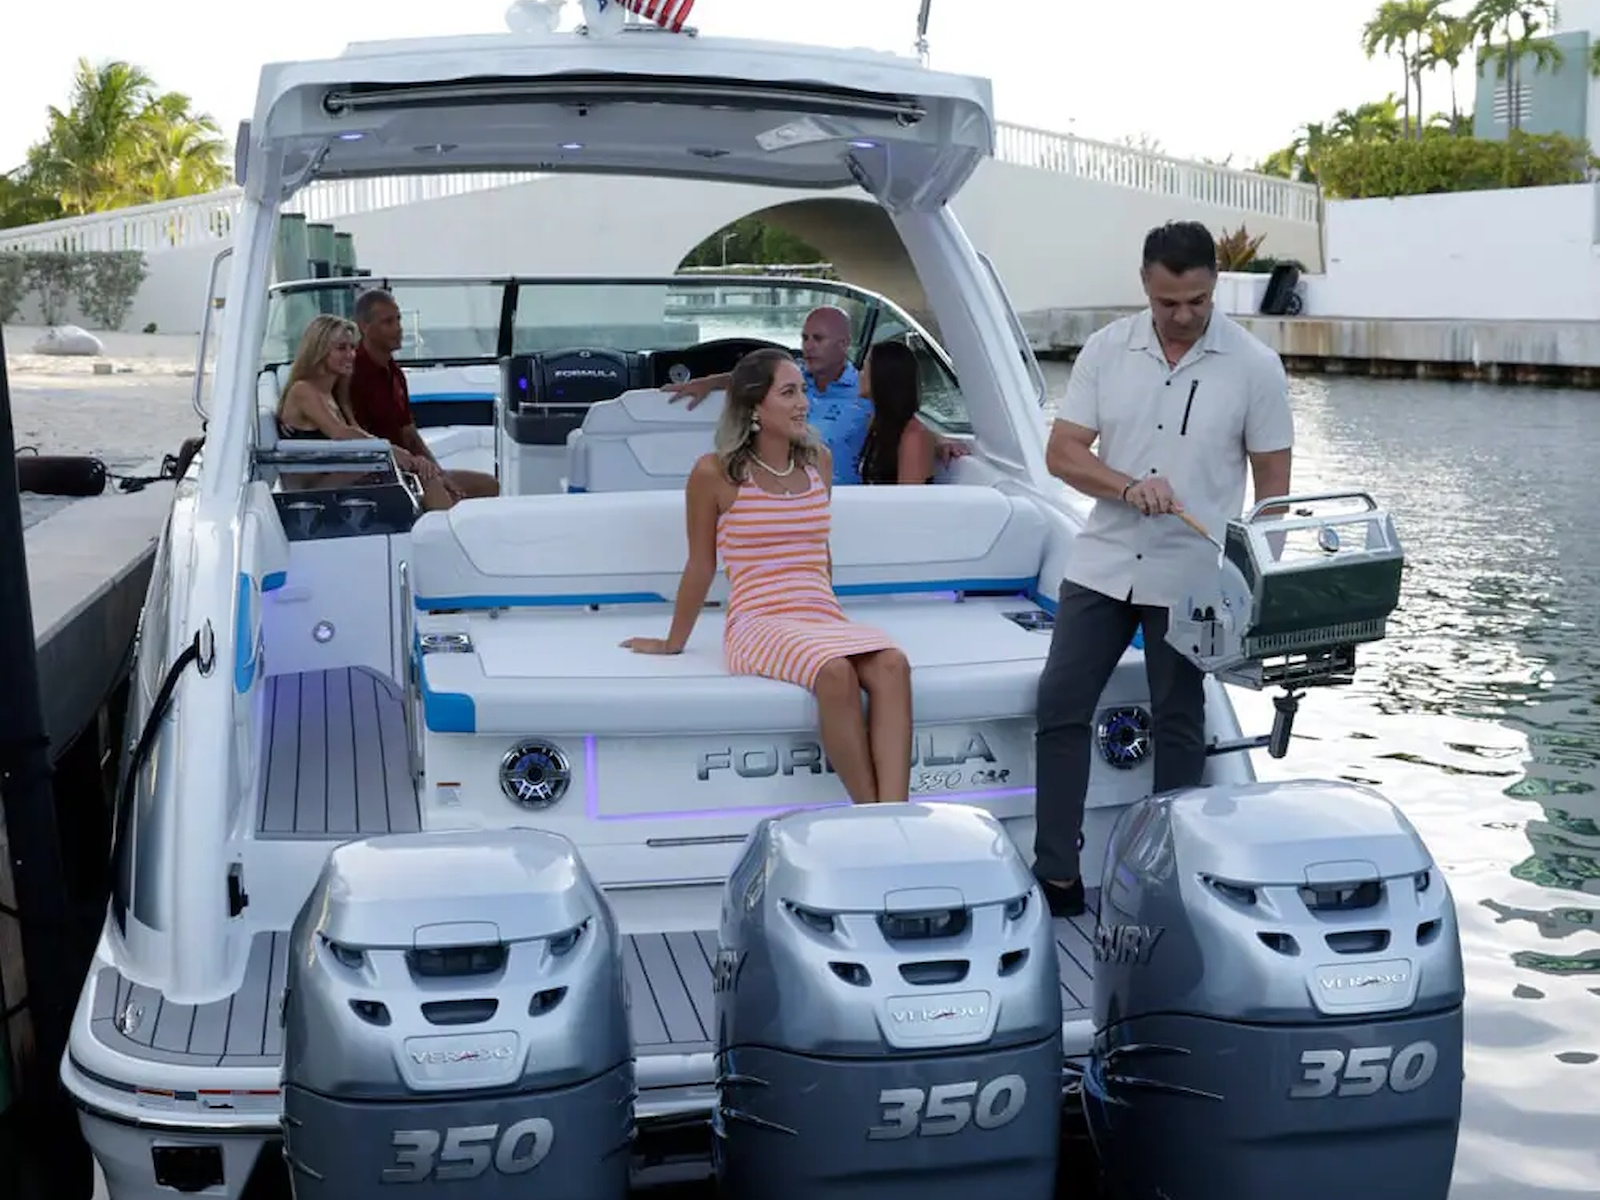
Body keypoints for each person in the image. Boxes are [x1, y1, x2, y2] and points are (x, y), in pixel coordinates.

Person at [1032, 219, 1294, 917]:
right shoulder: (1105, 350)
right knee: (1059, 704)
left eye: (1197, 301)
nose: (1182, 316)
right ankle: (1056, 875)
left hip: (1191, 575)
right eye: (1167, 302)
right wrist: (1127, 487)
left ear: (1215, 285)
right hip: (1103, 561)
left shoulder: (1256, 367)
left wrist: (1255, 586)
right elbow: (1062, 453)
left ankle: (1165, 878)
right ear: (1144, 285)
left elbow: (1274, 494)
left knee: (1180, 721)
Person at [623, 347, 914, 804]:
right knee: (835, 672)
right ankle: (871, 812)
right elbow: (701, 565)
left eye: (802, 392)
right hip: (757, 621)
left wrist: (830, 614)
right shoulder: (714, 473)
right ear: (755, 406)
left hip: (818, 614)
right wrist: (672, 643)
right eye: (789, 393)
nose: (803, 404)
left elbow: (819, 548)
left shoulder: (818, 461)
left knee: (893, 664)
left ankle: (895, 811)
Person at [664, 305, 965, 484]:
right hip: (782, 497)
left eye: (818, 339)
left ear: (843, 344)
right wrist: (708, 382)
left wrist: (939, 440)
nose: (807, 346)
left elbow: (901, 418)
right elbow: (752, 379)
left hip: (840, 506)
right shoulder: (791, 377)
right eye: (804, 337)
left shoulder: (866, 392)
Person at [276, 314, 461, 511]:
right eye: (341, 348)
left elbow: (359, 437)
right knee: (423, 477)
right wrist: (395, 453)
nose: (351, 355)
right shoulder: (303, 390)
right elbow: (341, 434)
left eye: (352, 348)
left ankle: (442, 521)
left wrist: (403, 457)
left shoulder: (335, 394)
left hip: (341, 477)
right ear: (318, 351)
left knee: (425, 475)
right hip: (312, 495)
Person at [347, 288, 501, 504]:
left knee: (489, 485)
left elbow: (409, 433)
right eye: (388, 322)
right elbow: (354, 439)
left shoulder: (395, 373)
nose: (398, 328)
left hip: (411, 469)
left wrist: (439, 472)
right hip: (379, 474)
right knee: (441, 494)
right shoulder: (353, 374)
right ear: (365, 327)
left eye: (398, 320)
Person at [856, 340, 935, 486]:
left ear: (882, 375)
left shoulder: (913, 437)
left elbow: (909, 498)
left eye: (865, 368)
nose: (859, 374)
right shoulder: (876, 424)